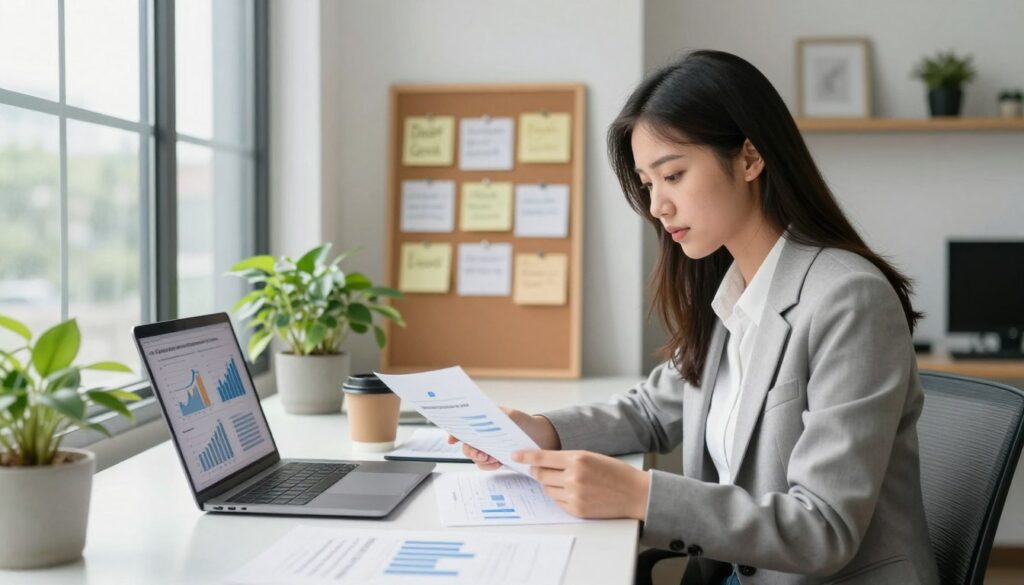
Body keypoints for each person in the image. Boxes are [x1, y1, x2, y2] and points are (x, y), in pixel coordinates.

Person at [449, 50, 940, 584]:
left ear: (750, 158)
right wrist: (542, 431)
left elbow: (822, 528)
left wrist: (640, 494)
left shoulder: (847, 300)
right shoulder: (732, 292)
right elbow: (652, 411)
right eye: (648, 183)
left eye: (673, 175)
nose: (658, 205)